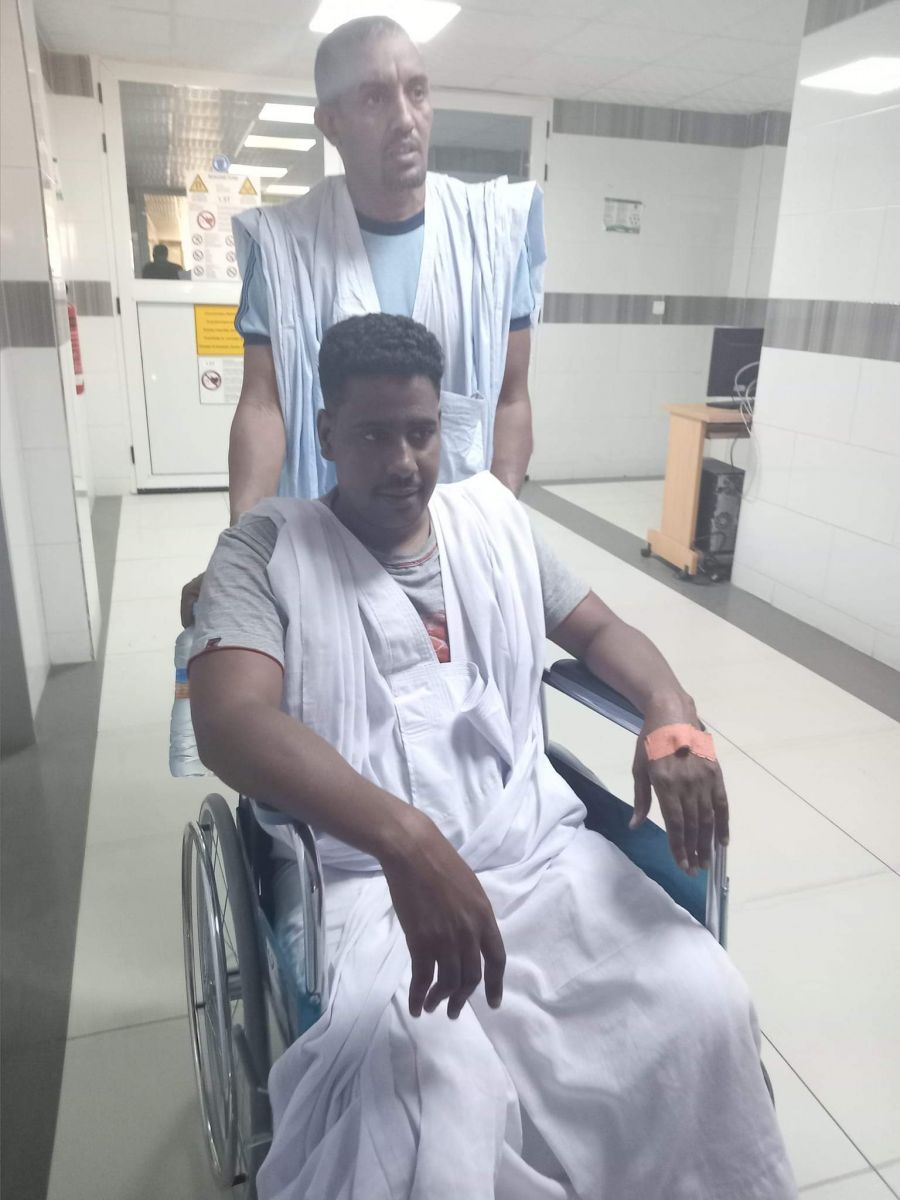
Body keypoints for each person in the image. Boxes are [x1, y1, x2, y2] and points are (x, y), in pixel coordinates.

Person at [189, 314, 795, 1200]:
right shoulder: (268, 549)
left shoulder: (491, 524)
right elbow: (230, 719)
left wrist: (671, 716)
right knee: (434, 1095)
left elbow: (601, 630)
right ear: (324, 433)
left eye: (420, 431)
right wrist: (404, 837)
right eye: (371, 435)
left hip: (535, 852)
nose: (403, 461)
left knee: (704, 1002)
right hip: (368, 883)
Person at [180, 15, 544, 625]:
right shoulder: (284, 246)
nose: (406, 118)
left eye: (417, 91)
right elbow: (264, 404)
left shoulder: (494, 233)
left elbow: (511, 396)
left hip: (461, 546)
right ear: (331, 122)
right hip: (325, 546)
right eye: (375, 97)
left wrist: (500, 521)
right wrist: (244, 543)